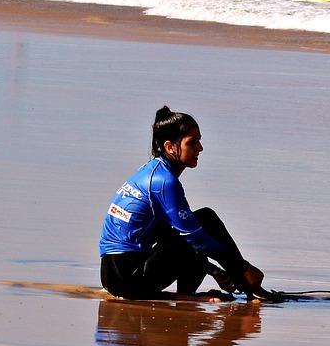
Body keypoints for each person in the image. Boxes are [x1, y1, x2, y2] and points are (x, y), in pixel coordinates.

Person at [99, 107, 268, 299]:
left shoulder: (152, 170)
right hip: (126, 279)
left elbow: (168, 233)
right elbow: (194, 238)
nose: (200, 148)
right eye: (192, 142)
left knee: (200, 221)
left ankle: (222, 284)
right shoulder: (164, 182)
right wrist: (240, 266)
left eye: (199, 141)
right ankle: (242, 281)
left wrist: (213, 270)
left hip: (115, 272)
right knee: (204, 223)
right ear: (170, 147)